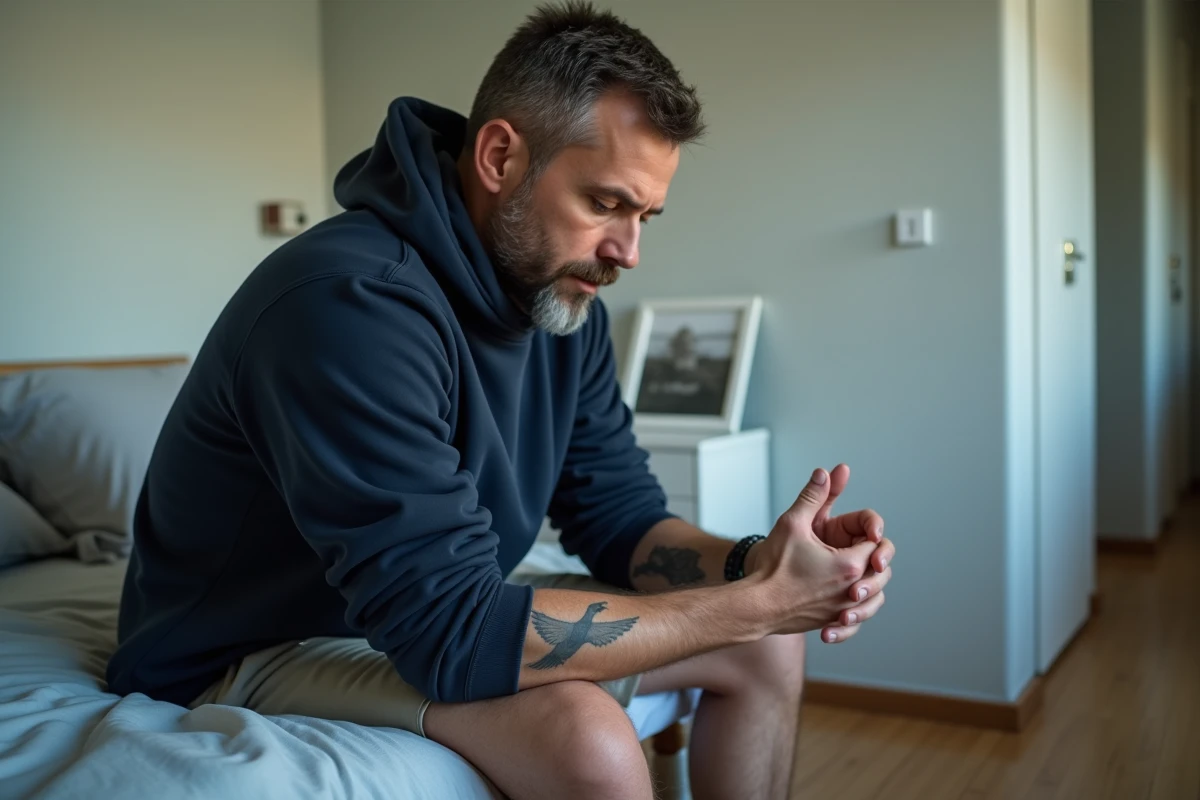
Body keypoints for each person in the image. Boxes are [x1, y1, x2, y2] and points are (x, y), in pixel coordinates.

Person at [107, 3, 895, 798]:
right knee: (589, 737)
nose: (629, 252)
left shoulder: (560, 295)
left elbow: (619, 518)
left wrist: (751, 564)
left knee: (767, 649)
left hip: (413, 619)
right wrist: (753, 604)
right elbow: (452, 631)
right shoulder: (347, 304)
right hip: (250, 646)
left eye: (645, 215)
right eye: (606, 203)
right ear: (499, 157)